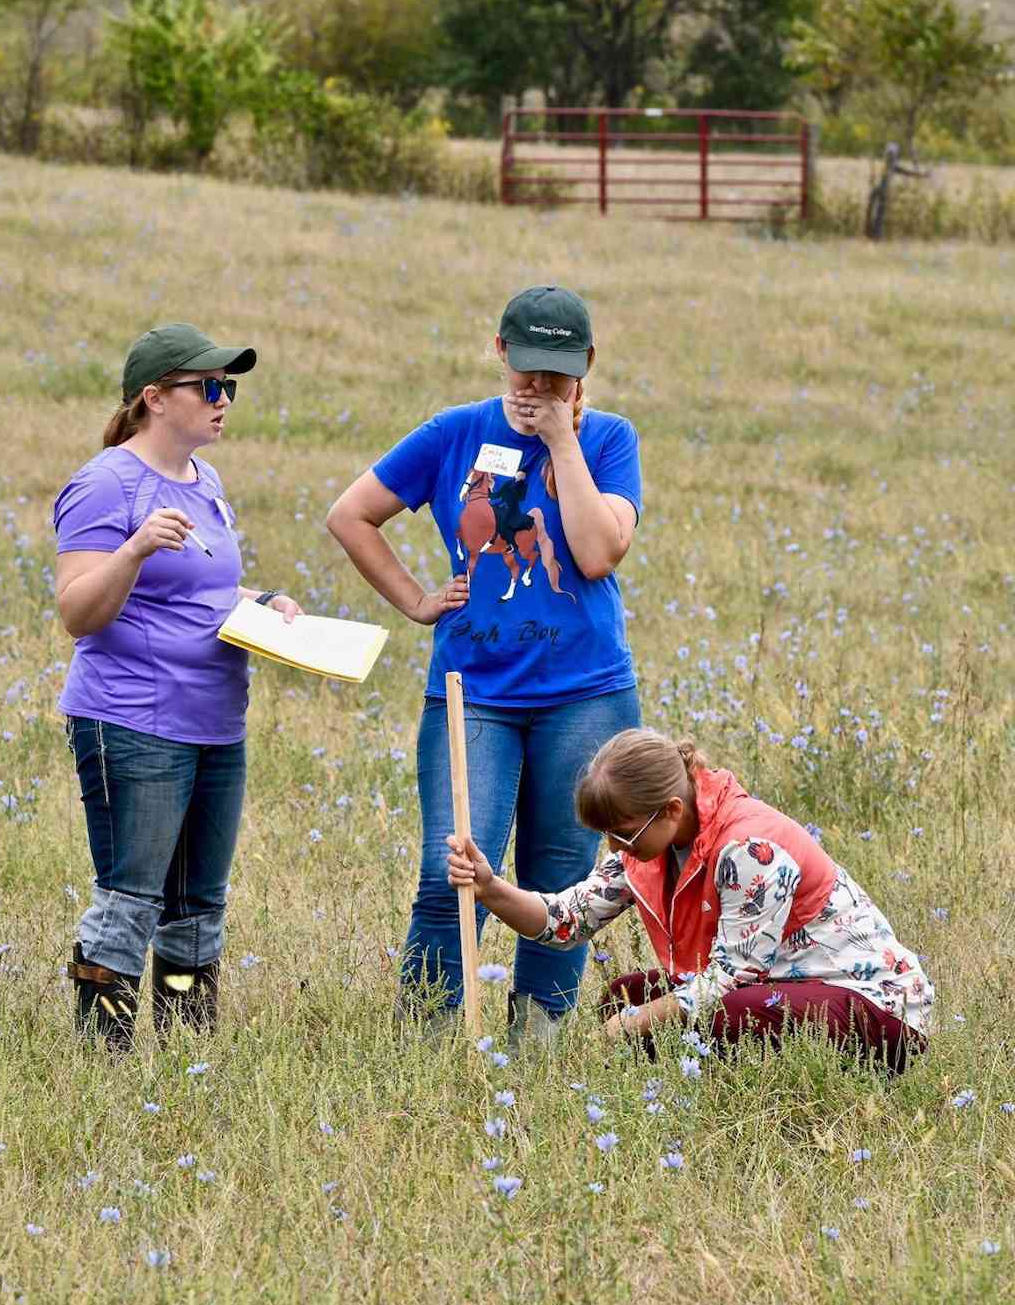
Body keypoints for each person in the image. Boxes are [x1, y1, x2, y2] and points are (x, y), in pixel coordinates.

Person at [326, 286, 642, 1040]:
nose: (538, 387)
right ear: (500, 353)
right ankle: (425, 1041)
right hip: (475, 693)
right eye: (525, 367)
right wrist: (413, 599)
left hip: (588, 694)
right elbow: (351, 514)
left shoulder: (609, 441)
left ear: (586, 365)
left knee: (564, 877)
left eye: (557, 373)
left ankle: (537, 1043)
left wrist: (563, 442)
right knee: (453, 871)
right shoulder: (453, 433)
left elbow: (598, 552)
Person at [53, 322, 300, 1054]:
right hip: (134, 719)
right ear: (155, 398)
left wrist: (264, 601)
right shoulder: (104, 485)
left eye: (230, 388)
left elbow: (203, 588)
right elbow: (77, 609)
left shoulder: (207, 482)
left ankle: (188, 1044)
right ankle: (105, 1051)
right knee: (133, 895)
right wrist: (132, 549)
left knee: (198, 906)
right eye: (211, 387)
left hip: (215, 722)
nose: (225, 400)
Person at [445, 729, 933, 1070]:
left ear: (671, 810)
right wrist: (490, 888)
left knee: (716, 1014)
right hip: (780, 990)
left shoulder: (749, 849)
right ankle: (700, 1096)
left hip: (878, 1011)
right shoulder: (647, 841)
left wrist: (636, 1023)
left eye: (622, 834)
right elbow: (567, 921)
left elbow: (731, 979)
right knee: (628, 995)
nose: (615, 848)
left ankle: (770, 1107)